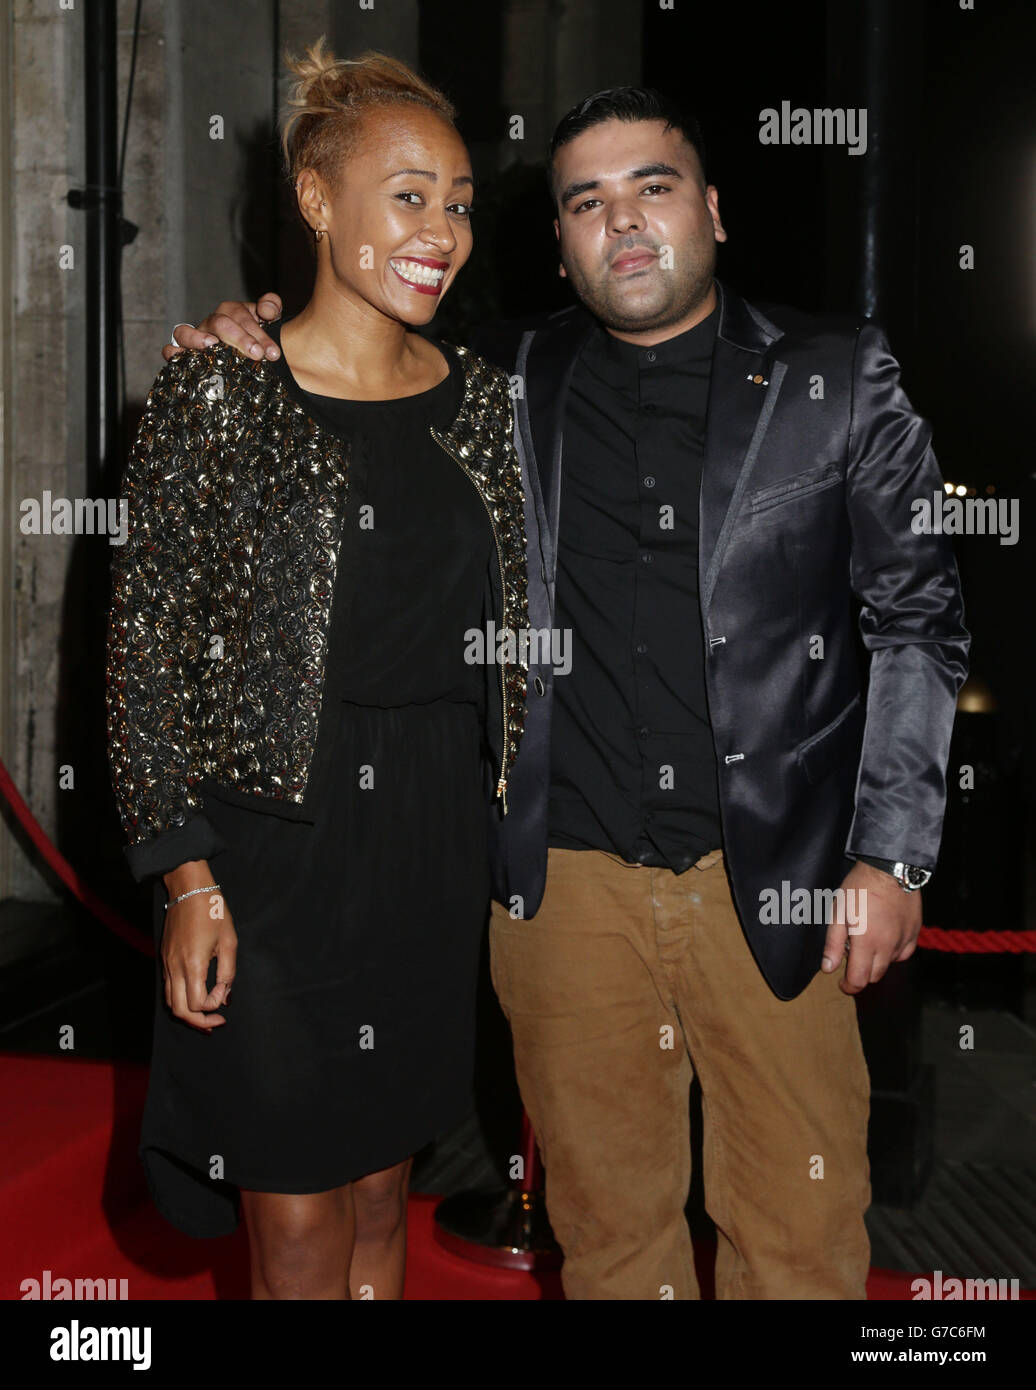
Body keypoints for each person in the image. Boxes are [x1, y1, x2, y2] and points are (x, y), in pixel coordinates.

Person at [172, 87, 968, 1300]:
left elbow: (918, 620)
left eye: (653, 186)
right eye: (587, 202)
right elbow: (353, 357)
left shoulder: (835, 373)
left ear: (712, 210)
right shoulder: (497, 377)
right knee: (608, 1243)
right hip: (562, 889)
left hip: (778, 880)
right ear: (559, 243)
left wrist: (891, 855)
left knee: (798, 1243)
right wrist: (250, 332)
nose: (624, 221)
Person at [107, 41, 528, 1300]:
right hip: (269, 850)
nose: (440, 231)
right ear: (315, 200)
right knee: (291, 1217)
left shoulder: (486, 403)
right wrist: (185, 875)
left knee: (381, 1195)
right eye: (407, 196)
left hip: (429, 843)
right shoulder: (219, 392)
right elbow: (141, 653)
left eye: (457, 202)